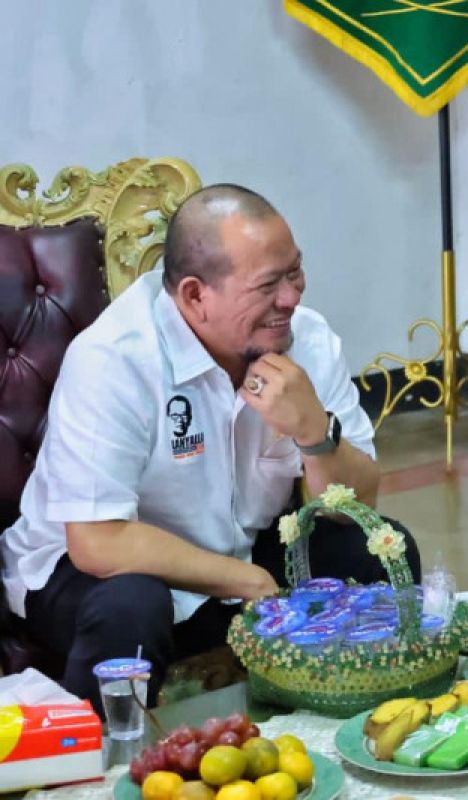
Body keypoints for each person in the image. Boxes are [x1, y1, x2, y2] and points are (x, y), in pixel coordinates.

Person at [0, 184, 420, 713]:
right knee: (131, 606)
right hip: (90, 569)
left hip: (240, 551)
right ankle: (108, 772)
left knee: (380, 548)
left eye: (294, 272)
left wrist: (316, 432)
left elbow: (359, 506)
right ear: (196, 295)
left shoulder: (307, 338)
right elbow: (97, 541)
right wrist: (242, 580)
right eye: (268, 285)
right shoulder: (116, 360)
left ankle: (358, 731)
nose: (291, 298)